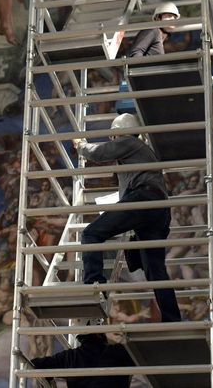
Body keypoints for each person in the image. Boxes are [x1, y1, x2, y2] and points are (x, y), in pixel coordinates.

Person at [73, 113, 181, 322]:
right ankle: (172, 319)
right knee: (155, 271)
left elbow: (99, 153)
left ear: (118, 133)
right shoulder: (141, 153)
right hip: (157, 210)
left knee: (91, 233)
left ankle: (95, 285)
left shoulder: (129, 142)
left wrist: (81, 145)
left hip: (142, 198)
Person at [30, 333, 134, 388]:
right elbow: (144, 357)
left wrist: (50, 381)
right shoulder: (119, 352)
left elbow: (35, 365)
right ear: (100, 335)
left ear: (81, 339)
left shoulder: (70, 357)